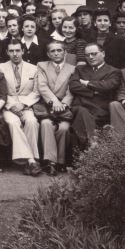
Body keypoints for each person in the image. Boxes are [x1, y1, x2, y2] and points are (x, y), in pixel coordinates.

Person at [0, 42, 43, 176]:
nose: (15, 54)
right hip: (8, 106)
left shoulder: (34, 68)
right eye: (11, 51)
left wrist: (23, 104)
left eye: (17, 50)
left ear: (23, 51)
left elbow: (36, 91)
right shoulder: (0, 68)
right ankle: (32, 160)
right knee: (13, 122)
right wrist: (11, 106)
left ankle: (29, 162)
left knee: (32, 122)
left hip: (26, 105)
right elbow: (0, 92)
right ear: (7, 52)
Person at [35, 41, 75, 175]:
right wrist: (54, 102)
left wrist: (64, 104)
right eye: (53, 51)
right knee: (46, 124)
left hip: (64, 106)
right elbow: (42, 86)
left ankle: (61, 161)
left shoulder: (72, 68)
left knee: (64, 128)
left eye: (59, 50)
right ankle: (50, 161)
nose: (56, 53)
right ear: (48, 54)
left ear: (65, 52)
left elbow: (72, 89)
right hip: (47, 105)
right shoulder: (42, 66)